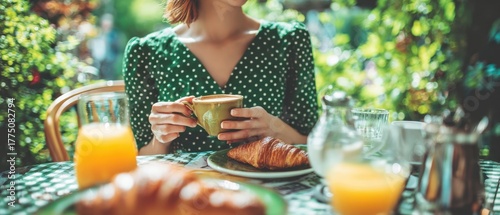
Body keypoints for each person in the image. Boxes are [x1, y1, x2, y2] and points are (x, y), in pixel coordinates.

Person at [123, 0, 319, 155]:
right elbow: (143, 157)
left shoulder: (290, 41)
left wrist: (275, 128)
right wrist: (161, 137)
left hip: (272, 193)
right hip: (190, 197)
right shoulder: (145, 53)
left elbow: (312, 142)